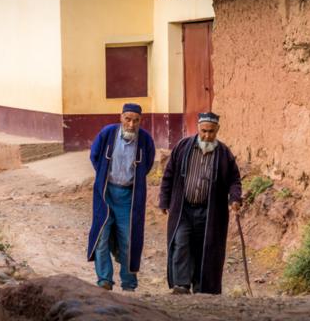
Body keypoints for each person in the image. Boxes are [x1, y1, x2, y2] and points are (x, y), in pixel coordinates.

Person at [159, 112, 242, 295]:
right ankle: (181, 285)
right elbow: (169, 175)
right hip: (183, 209)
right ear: (198, 128)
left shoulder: (224, 153)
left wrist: (235, 198)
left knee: (204, 249)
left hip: (210, 212)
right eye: (204, 131)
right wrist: (164, 200)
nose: (207, 135)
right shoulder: (183, 147)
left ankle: (202, 288)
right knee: (181, 243)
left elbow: (234, 179)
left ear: (217, 130)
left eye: (211, 132)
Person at [87, 103, 155, 292]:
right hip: (106, 194)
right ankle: (104, 281)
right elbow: (95, 157)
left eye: (136, 120)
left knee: (128, 239)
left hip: (129, 198)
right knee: (101, 236)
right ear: (121, 117)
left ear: (140, 121)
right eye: (128, 119)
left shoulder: (145, 140)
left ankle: (129, 283)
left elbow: (146, 165)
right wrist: (103, 177)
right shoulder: (108, 133)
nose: (131, 124)